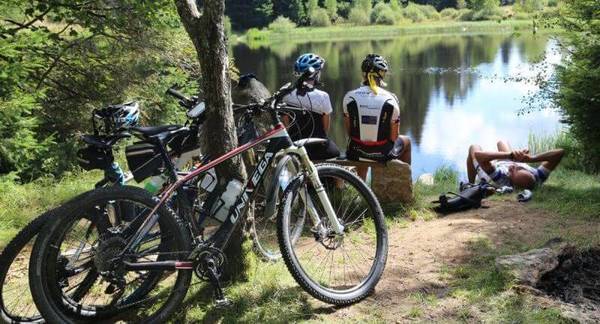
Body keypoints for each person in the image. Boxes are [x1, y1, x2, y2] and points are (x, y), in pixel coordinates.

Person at [342, 53, 411, 179]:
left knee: (360, 141)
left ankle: (361, 189)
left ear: (363, 74)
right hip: (382, 153)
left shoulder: (349, 97)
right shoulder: (391, 99)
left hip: (355, 151)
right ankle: (404, 181)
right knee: (407, 141)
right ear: (381, 74)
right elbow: (394, 137)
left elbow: (349, 132)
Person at [282, 53, 340, 160]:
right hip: (318, 147)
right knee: (337, 154)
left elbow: (287, 125)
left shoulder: (286, 96)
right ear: (315, 74)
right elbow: (325, 128)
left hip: (295, 147)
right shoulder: (323, 97)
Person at [466, 140, 564, 189]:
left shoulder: (502, 178)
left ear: (510, 177)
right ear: (531, 173)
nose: (515, 166)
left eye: (514, 170)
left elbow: (478, 155)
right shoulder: (538, 177)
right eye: (520, 168)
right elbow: (560, 152)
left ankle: (470, 185)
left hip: (493, 173)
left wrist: (510, 155)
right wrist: (531, 159)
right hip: (505, 162)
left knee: (474, 147)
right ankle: (508, 157)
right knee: (501, 142)